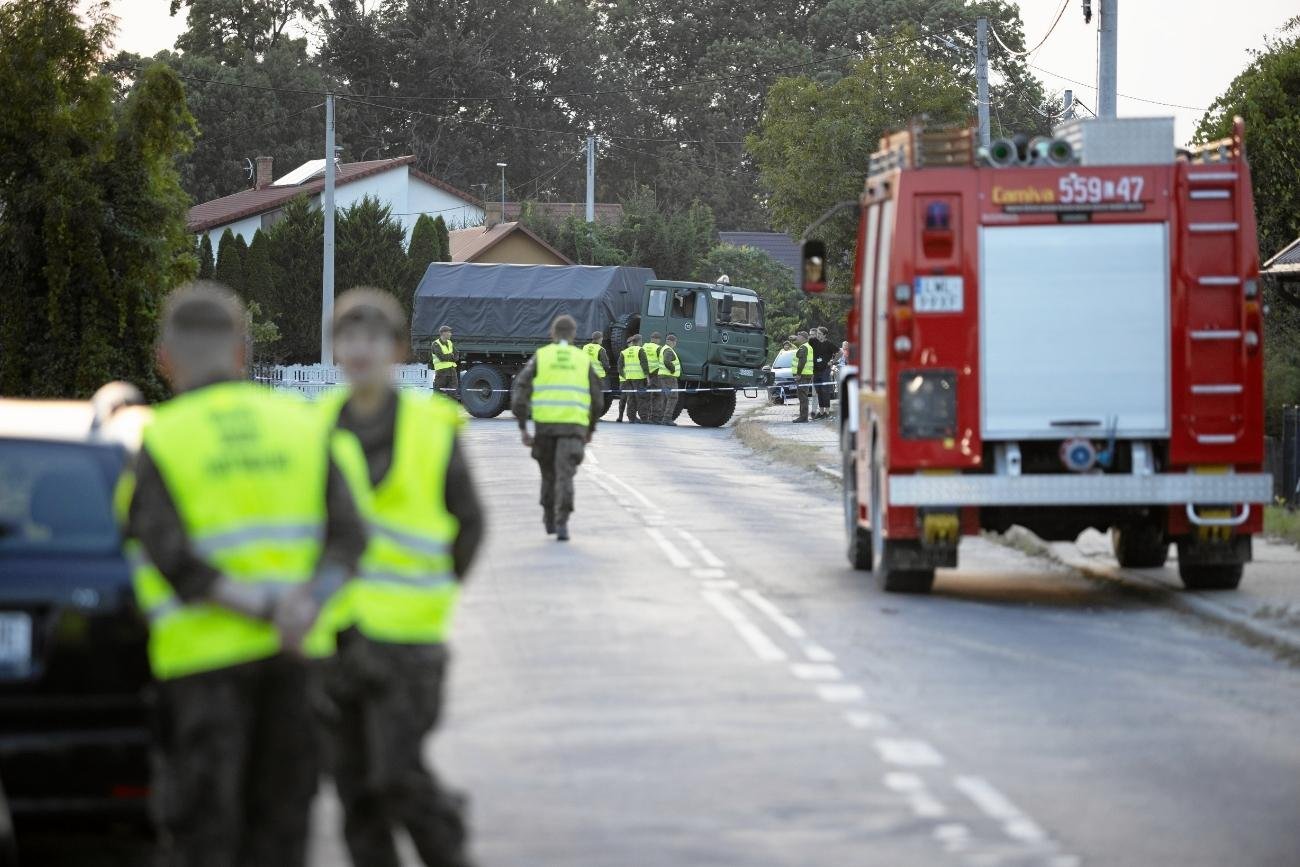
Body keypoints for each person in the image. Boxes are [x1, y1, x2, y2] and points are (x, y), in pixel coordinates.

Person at [119, 282, 367, 867]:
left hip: (201, 675)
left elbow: (172, 560)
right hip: (299, 665)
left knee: (206, 838)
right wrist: (304, 608)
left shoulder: (159, 441)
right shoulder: (303, 425)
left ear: (164, 358)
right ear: (240, 354)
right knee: (281, 834)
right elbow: (350, 538)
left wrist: (258, 607)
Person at [322, 289, 485, 867]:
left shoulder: (431, 425)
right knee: (356, 793)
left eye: (372, 338)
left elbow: (469, 523)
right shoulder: (314, 427)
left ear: (394, 350)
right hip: (335, 641)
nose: (359, 349)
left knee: (396, 775)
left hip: (408, 646)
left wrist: (436, 591)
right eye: (348, 336)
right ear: (336, 348)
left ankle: (448, 839)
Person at [512, 315, 604, 540]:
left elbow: (521, 389)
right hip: (573, 428)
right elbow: (597, 398)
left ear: (552, 334)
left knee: (548, 474)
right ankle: (562, 522)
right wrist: (590, 428)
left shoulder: (541, 356)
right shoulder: (582, 360)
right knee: (565, 475)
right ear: (573, 335)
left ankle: (549, 518)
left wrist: (523, 427)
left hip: (545, 428)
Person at [617, 334, 649, 425]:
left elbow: (619, 367)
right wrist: (648, 377)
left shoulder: (624, 352)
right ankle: (644, 418)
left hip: (628, 379)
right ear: (639, 341)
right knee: (641, 398)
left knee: (631, 398)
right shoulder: (640, 350)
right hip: (638, 378)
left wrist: (624, 376)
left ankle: (631, 418)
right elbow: (644, 364)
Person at [584, 331, 611, 420]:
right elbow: (605, 364)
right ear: (600, 338)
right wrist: (607, 371)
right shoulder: (600, 349)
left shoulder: (585, 347)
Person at [811, 326, 836, 420]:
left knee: (825, 391)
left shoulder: (829, 344)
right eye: (817, 334)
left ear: (824, 335)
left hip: (825, 370)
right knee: (819, 391)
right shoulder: (814, 343)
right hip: (816, 370)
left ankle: (827, 412)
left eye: (820, 334)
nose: (818, 335)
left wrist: (832, 361)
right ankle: (821, 413)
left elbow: (840, 352)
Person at [791, 331, 815, 424]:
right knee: (802, 395)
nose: (797, 337)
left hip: (803, 375)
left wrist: (798, 374)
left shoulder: (804, 347)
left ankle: (803, 417)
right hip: (806, 374)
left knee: (802, 396)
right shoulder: (807, 346)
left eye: (799, 336)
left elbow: (802, 361)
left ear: (804, 338)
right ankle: (803, 416)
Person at [658, 334, 682, 426]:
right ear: (672, 342)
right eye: (675, 342)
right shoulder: (668, 350)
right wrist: (673, 370)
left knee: (664, 397)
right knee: (673, 397)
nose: (675, 344)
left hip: (664, 376)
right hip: (669, 377)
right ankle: (667, 419)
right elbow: (666, 361)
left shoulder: (664, 348)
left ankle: (661, 418)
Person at [642, 332, 664, 423]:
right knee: (657, 395)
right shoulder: (658, 348)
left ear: (651, 338)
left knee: (646, 396)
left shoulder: (644, 346)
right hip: (655, 374)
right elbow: (662, 361)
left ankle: (645, 417)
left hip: (644, 374)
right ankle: (655, 417)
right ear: (657, 339)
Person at [431, 325, 458, 398]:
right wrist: (452, 356)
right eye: (449, 332)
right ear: (443, 333)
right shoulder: (436, 344)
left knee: (453, 393)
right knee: (438, 393)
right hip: (441, 372)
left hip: (452, 371)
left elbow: (457, 354)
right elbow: (442, 357)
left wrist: (452, 357)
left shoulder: (450, 342)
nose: (450, 334)